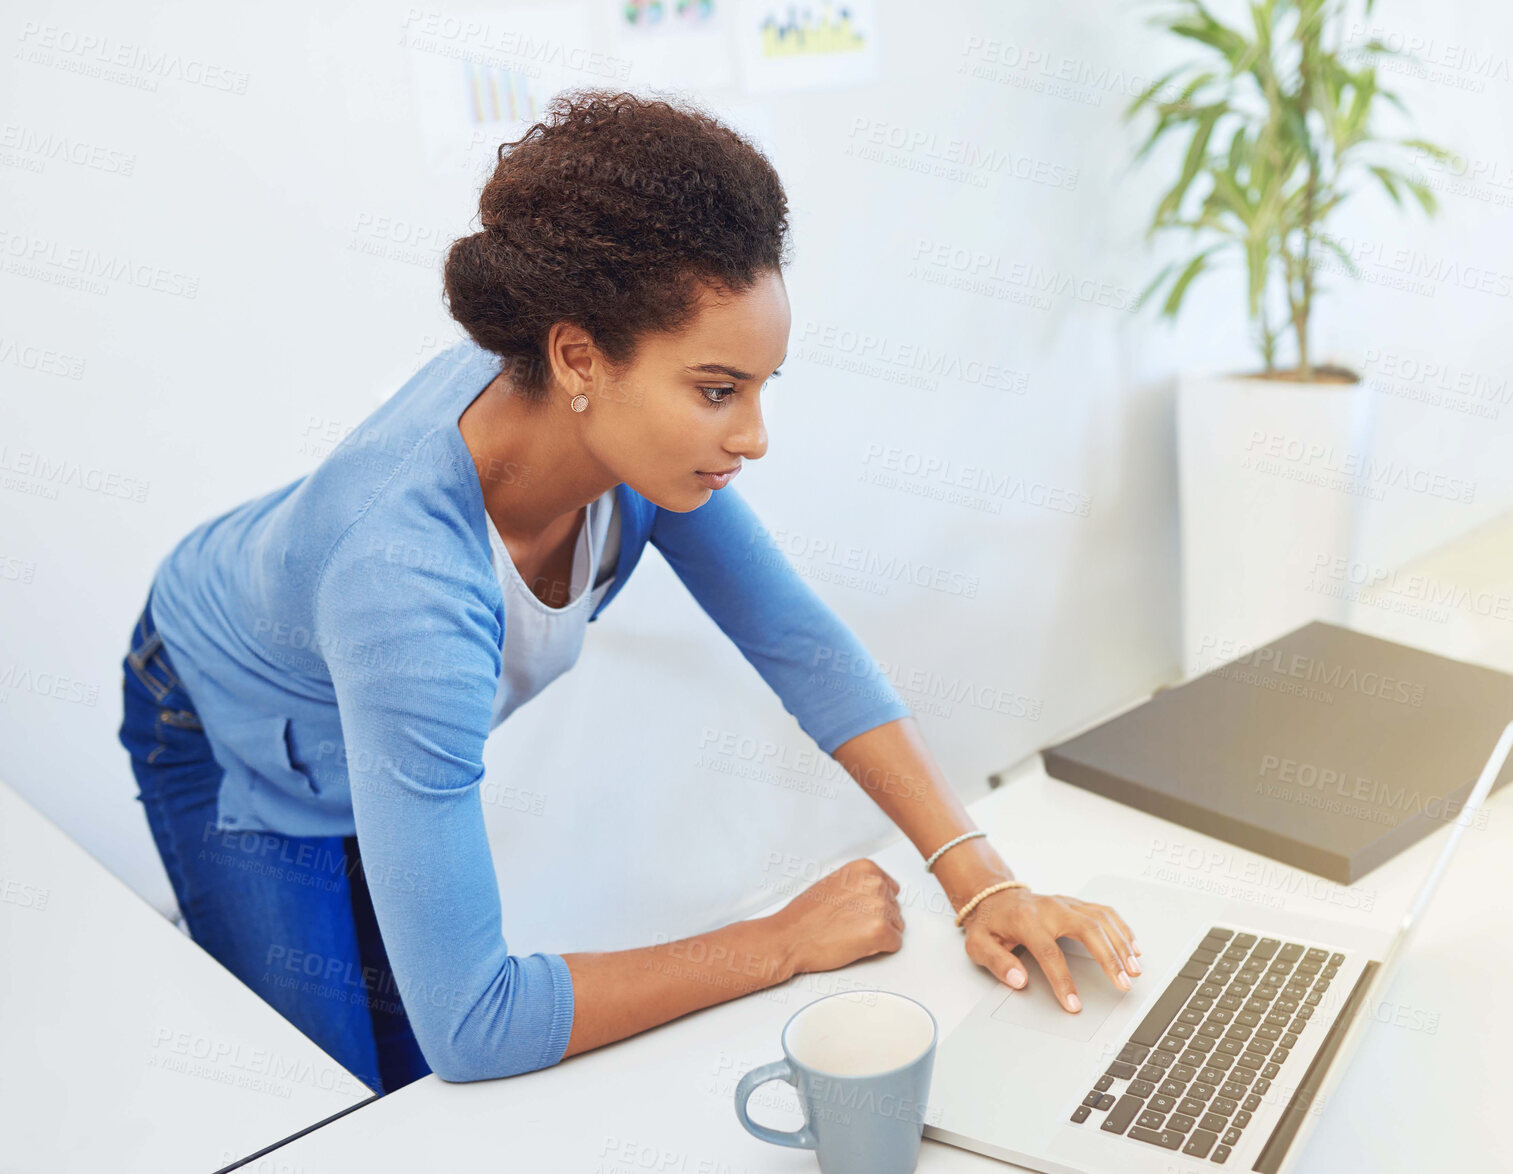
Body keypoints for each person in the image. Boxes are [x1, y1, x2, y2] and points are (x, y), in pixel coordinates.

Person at [116, 88, 1141, 1095]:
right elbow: (477, 1022)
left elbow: (799, 643)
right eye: (713, 390)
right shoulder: (407, 590)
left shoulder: (619, 445)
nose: (751, 438)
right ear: (577, 358)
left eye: (756, 387)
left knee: (411, 1062)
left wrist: (981, 882)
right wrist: (777, 943)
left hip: (350, 670)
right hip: (221, 717)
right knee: (348, 1100)